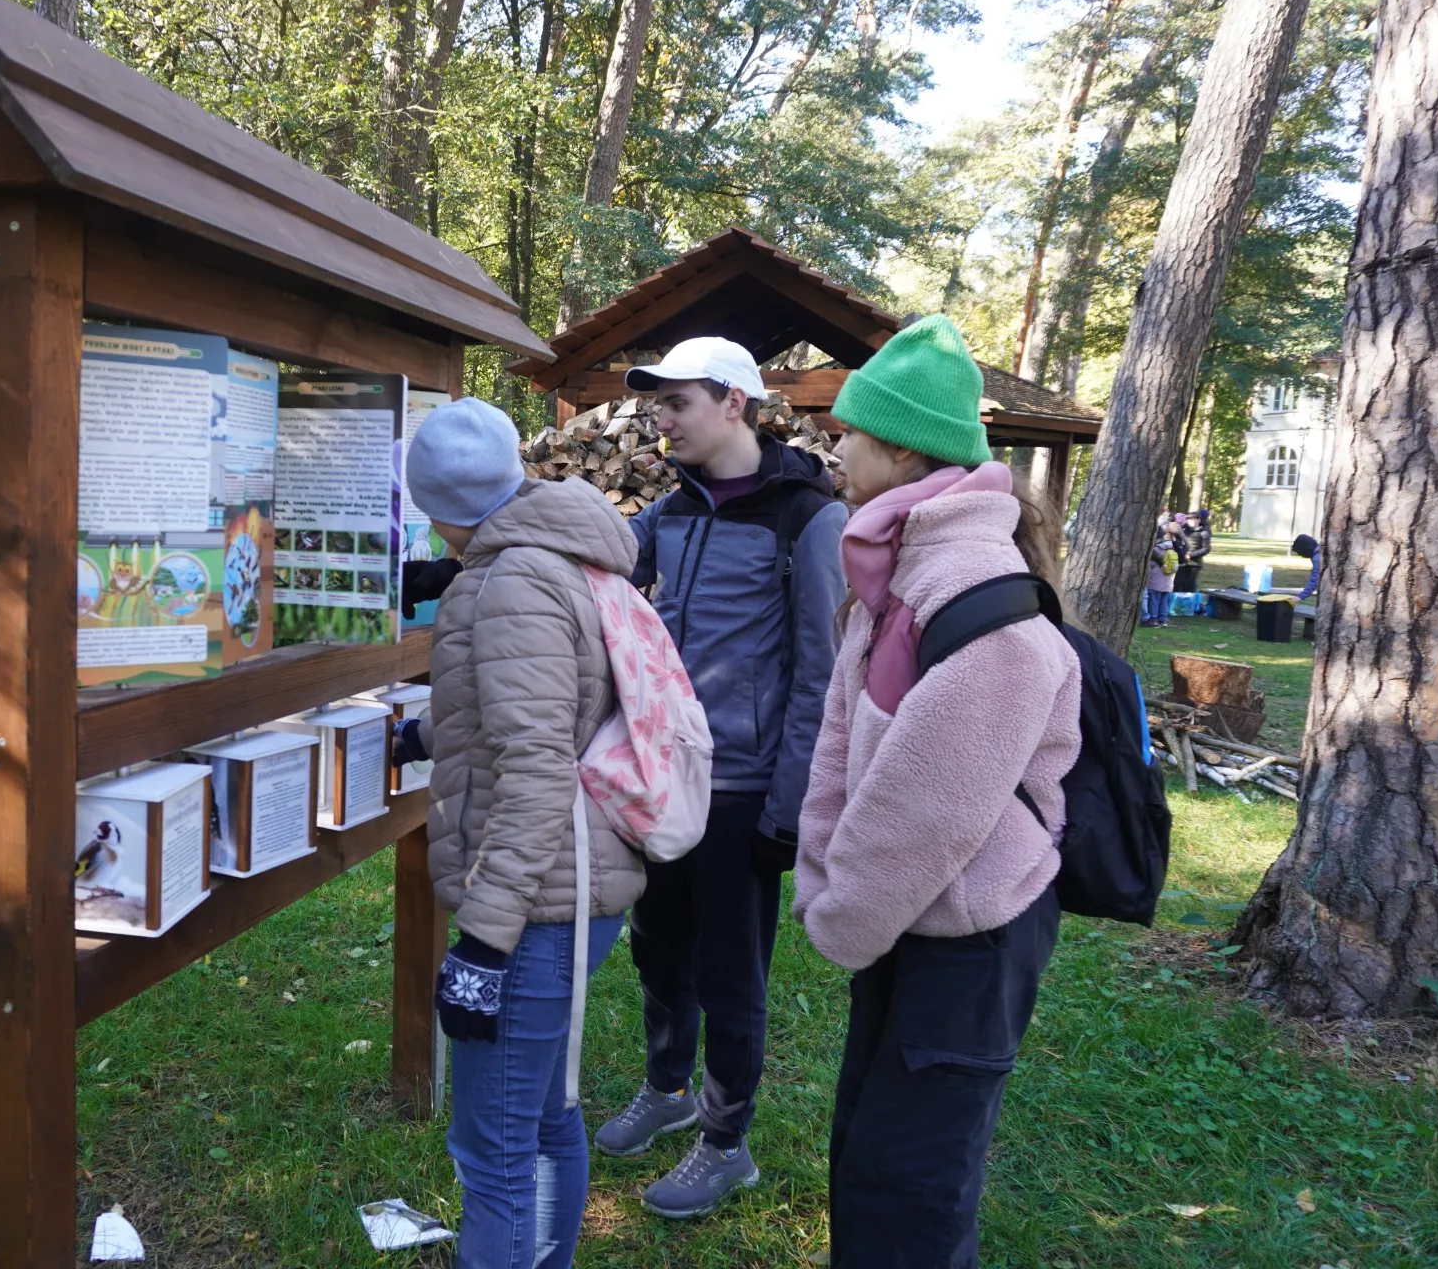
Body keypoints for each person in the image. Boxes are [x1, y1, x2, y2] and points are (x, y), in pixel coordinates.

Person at [791, 314, 1082, 1267]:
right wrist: (826, 877)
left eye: (852, 429)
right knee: (870, 1152)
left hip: (968, 934)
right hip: (910, 920)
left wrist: (843, 912)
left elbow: (928, 804)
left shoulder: (970, 589)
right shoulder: (899, 565)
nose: (835, 443)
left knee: (909, 1191)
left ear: (905, 446)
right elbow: (845, 743)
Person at [593, 336, 847, 1218]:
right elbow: (599, 577)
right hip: (663, 780)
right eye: (655, 406)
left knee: (733, 973)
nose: (660, 421)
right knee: (660, 949)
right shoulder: (668, 511)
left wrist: (788, 809)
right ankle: (666, 1088)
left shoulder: (807, 517)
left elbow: (823, 672)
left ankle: (724, 1140)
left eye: (677, 403)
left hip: (743, 793)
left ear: (734, 402)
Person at [400, 396, 646, 1269]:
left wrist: (484, 946)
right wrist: (424, 736)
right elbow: (545, 706)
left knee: (495, 1155)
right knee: (546, 1117)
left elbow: (538, 767)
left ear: (438, 506)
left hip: (540, 905)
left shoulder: (510, 581)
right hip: (573, 884)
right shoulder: (555, 553)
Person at [1176, 510, 1212, 604]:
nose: (1189, 520)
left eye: (1192, 518)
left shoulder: (1204, 531)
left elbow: (1206, 549)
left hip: (1194, 563)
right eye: (1187, 518)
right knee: (1178, 583)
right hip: (1181, 561)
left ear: (1198, 520)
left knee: (1190, 585)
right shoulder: (1183, 530)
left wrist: (1191, 555)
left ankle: (1189, 606)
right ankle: (1177, 605)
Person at [1145, 531, 1176, 627]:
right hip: (1168, 580)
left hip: (1156, 579)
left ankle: (1153, 618)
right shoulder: (1173, 548)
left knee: (1154, 600)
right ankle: (1163, 619)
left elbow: (1152, 564)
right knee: (1164, 600)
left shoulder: (1156, 550)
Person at [1291, 533, 1320, 600]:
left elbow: (1315, 580)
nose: (1302, 556)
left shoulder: (1317, 558)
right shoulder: (1319, 550)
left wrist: (1300, 596)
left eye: (1300, 553)